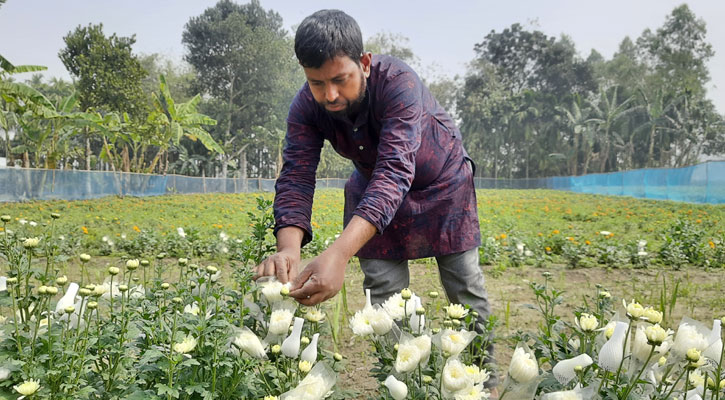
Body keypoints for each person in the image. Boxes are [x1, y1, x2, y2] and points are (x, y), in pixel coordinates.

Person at [254, 9, 497, 392]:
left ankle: (485, 381)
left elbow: (396, 169)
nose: (330, 94)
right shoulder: (305, 108)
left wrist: (338, 255)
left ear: (364, 63)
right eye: (317, 83)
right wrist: (288, 249)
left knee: (464, 286)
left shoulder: (399, 83)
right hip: (374, 188)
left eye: (340, 80)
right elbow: (297, 174)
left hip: (445, 187)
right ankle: (403, 384)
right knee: (383, 294)